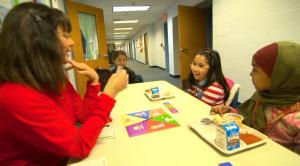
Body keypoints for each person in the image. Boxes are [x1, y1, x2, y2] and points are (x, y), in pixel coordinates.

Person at [0, 2, 128, 165]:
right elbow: (79, 145)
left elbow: (84, 116)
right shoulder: (16, 96)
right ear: (40, 42)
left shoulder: (53, 78)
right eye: (66, 36)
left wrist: (94, 82)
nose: (72, 42)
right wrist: (110, 93)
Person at [212, 41, 300, 154]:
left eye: (255, 69)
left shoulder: (296, 118)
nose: (250, 74)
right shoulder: (263, 96)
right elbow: (248, 118)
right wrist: (231, 111)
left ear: (278, 75)